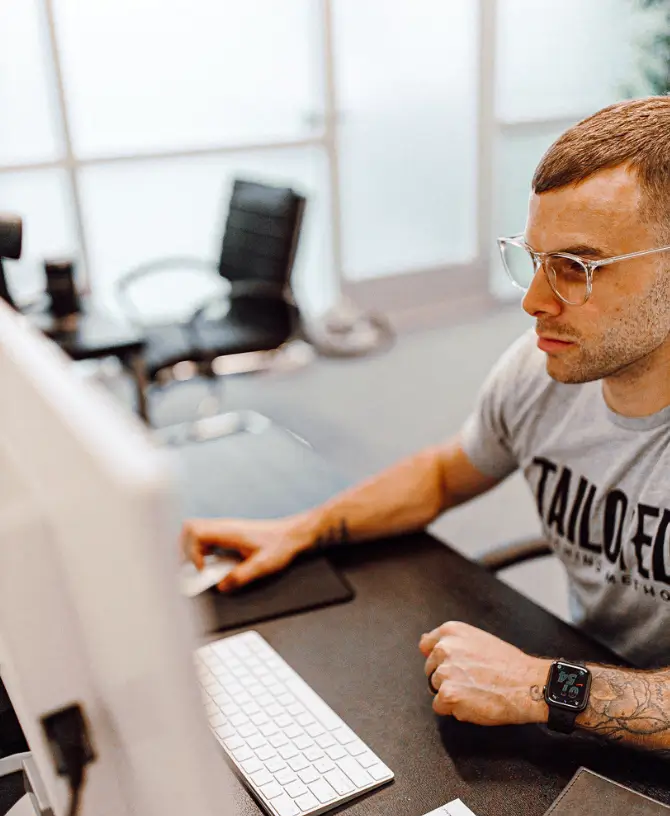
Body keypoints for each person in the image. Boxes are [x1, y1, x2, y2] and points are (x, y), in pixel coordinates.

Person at [183, 96, 670, 756]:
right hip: (595, 702)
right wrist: (302, 529)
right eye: (534, 259)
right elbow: (444, 473)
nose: (533, 301)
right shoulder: (544, 368)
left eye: (575, 268)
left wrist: (542, 684)